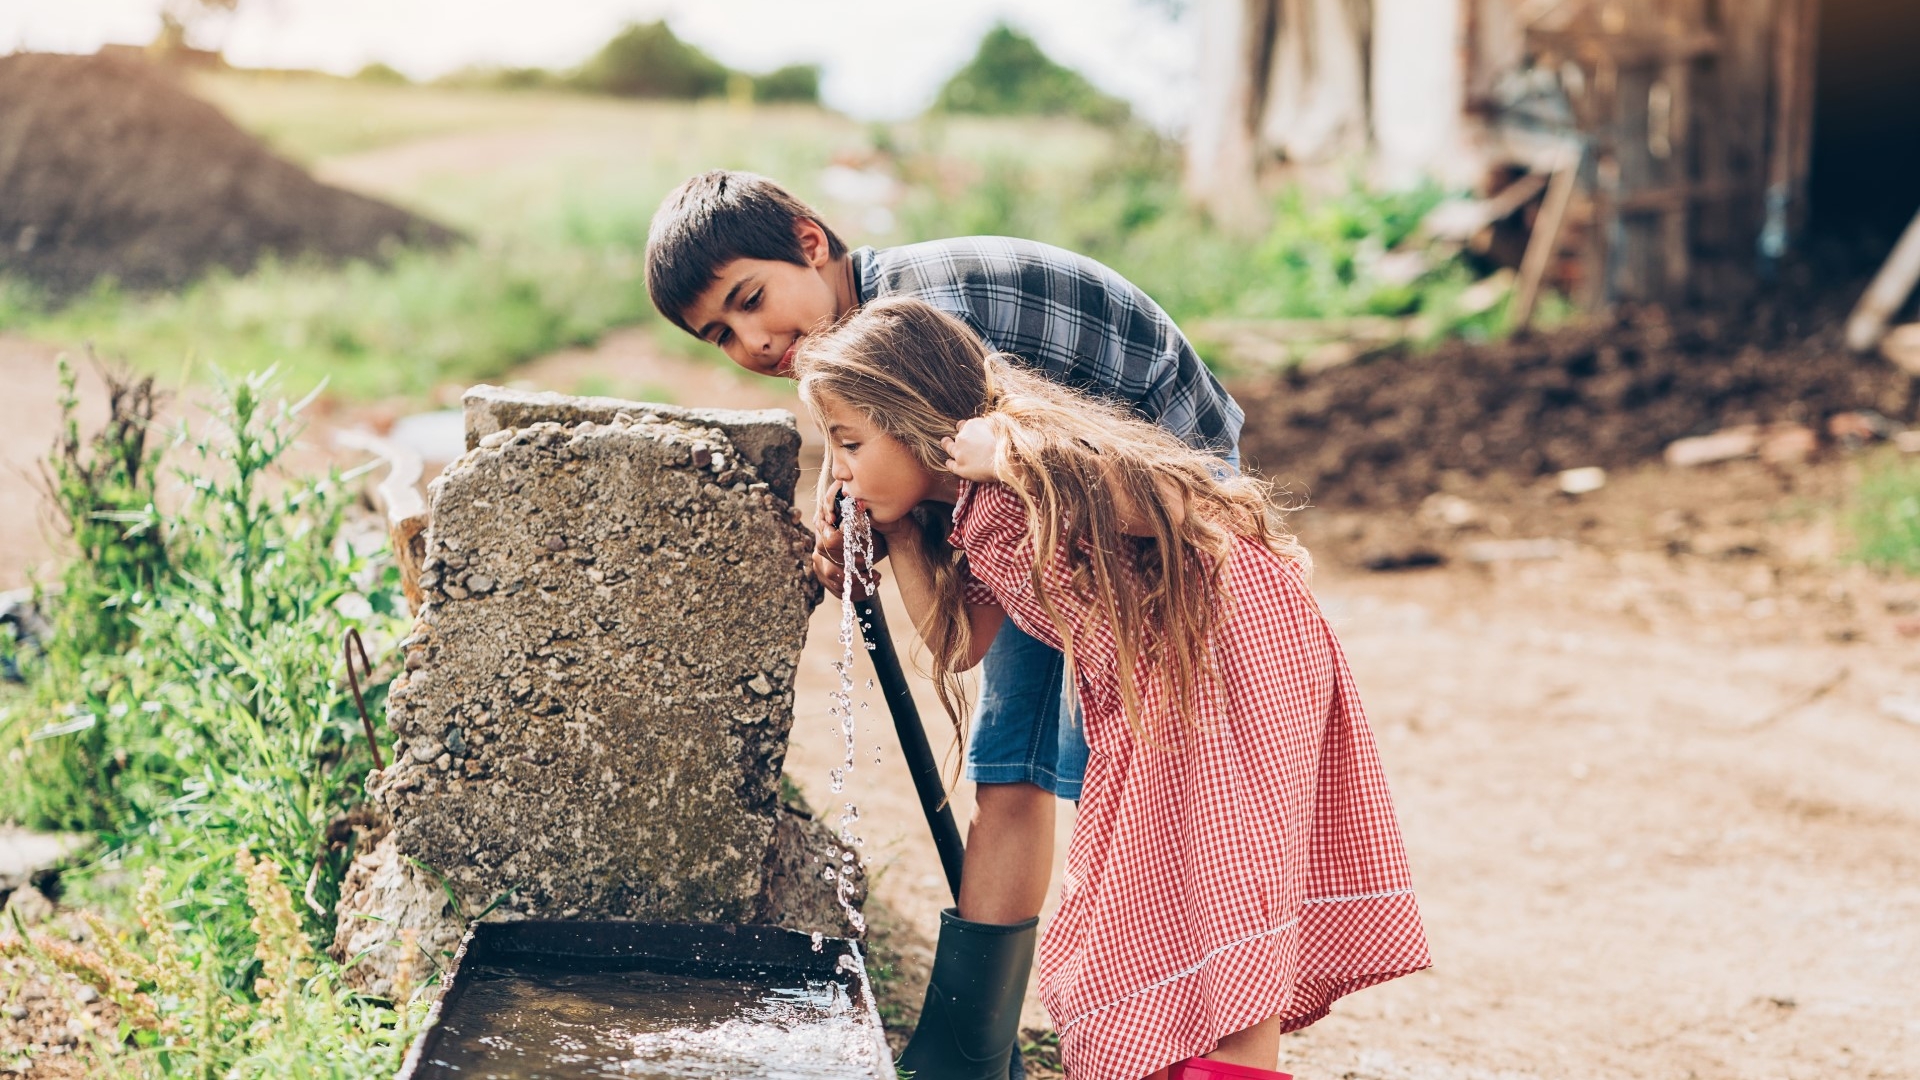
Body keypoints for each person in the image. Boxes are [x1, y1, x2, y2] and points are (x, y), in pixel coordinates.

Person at [645, 170, 1245, 1078]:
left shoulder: (929, 320)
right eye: (720, 334)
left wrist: (886, 517)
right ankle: (968, 1047)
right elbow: (957, 604)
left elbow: (975, 523)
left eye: (751, 300)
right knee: (1010, 764)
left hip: (1157, 486)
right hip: (1045, 495)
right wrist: (860, 514)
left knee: (1150, 774)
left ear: (812, 244)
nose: (754, 341)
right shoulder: (857, 351)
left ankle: (1196, 1027)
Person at [789, 297, 1431, 1080]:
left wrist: (1020, 458)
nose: (839, 470)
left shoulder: (1021, 468)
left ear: (918, 418)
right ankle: (1176, 1057)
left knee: (1221, 873)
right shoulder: (967, 515)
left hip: (1226, 658)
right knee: (1152, 882)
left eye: (849, 442)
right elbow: (962, 648)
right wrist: (892, 535)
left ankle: (1228, 1062)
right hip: (1161, 682)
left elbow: (1178, 503)